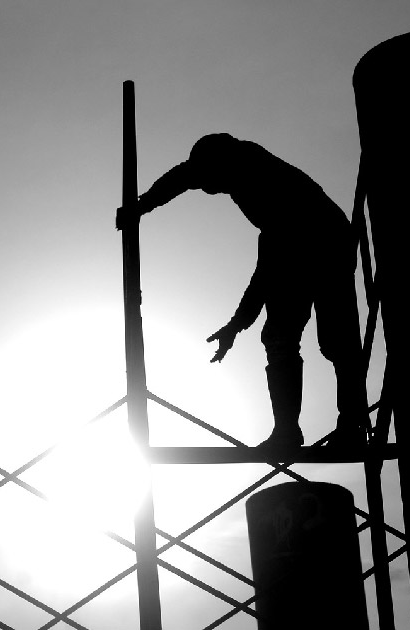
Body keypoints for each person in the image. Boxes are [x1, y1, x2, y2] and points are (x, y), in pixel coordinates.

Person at [116, 133, 367, 448]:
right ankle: (289, 431)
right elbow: (181, 177)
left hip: (327, 242)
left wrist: (236, 324)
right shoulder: (229, 167)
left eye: (211, 182)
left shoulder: (262, 181)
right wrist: (141, 206)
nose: (211, 189)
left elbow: (265, 276)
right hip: (294, 243)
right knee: (280, 337)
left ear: (222, 168)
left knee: (335, 340)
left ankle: (350, 427)